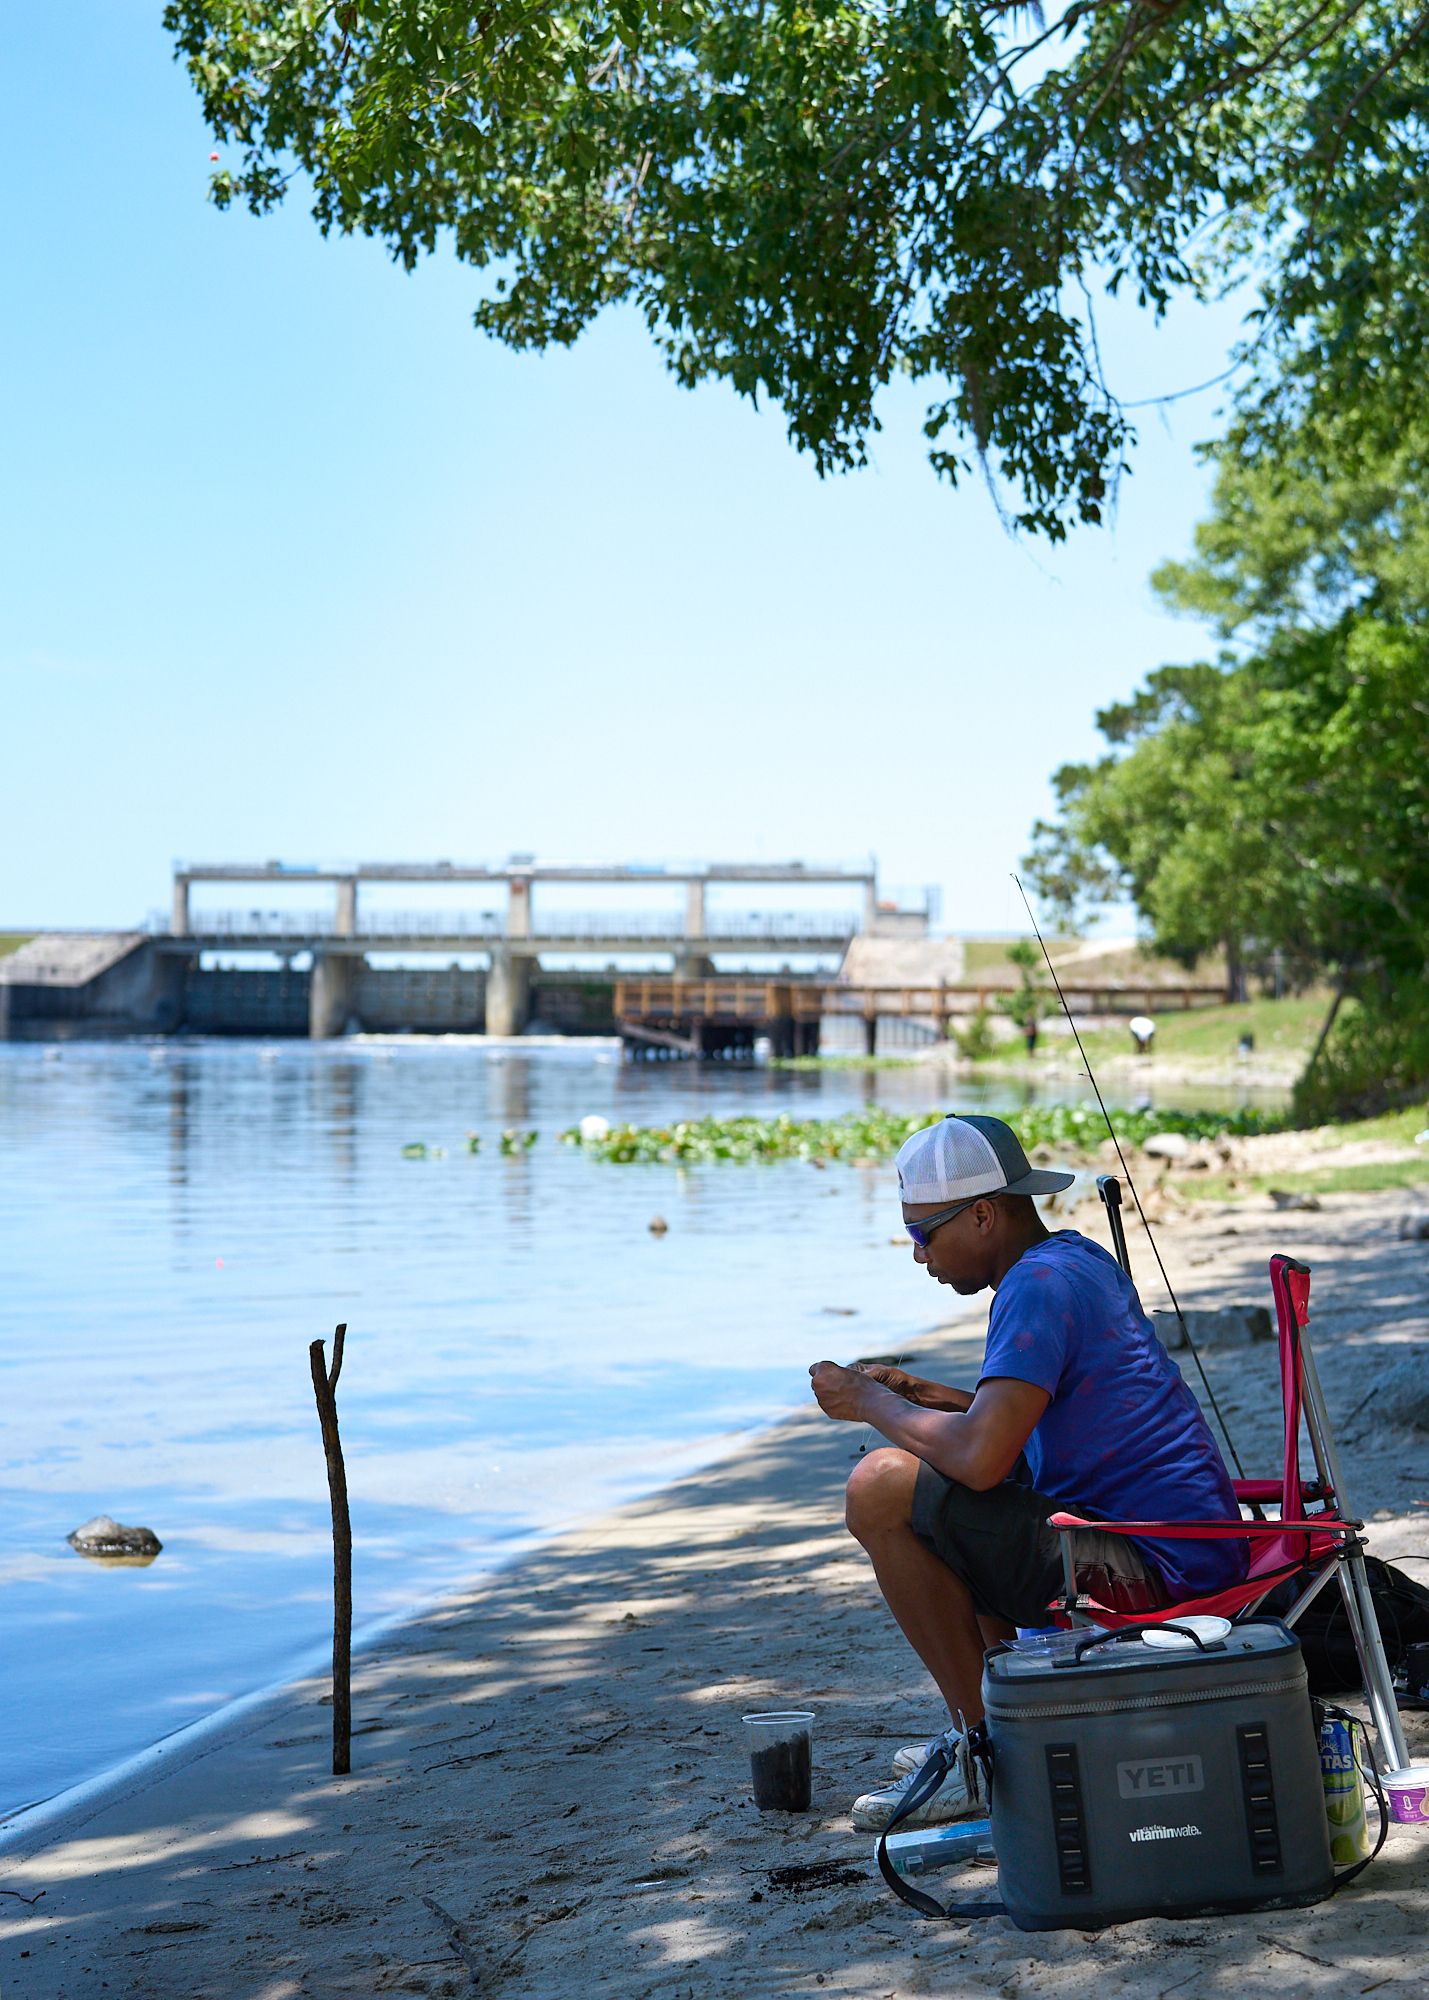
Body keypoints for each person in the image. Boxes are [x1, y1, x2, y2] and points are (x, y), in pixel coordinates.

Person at [808, 1112, 1248, 1832]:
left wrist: (869, 1401)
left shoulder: (1033, 1287)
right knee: (933, 1478)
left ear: (982, 1214)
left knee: (881, 1485)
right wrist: (927, 1397)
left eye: (922, 1234)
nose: (918, 1256)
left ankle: (982, 1752)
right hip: (1179, 1544)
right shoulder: (1069, 1259)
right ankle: (996, 1726)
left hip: (1158, 1567)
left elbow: (982, 1459)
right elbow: (1034, 1417)